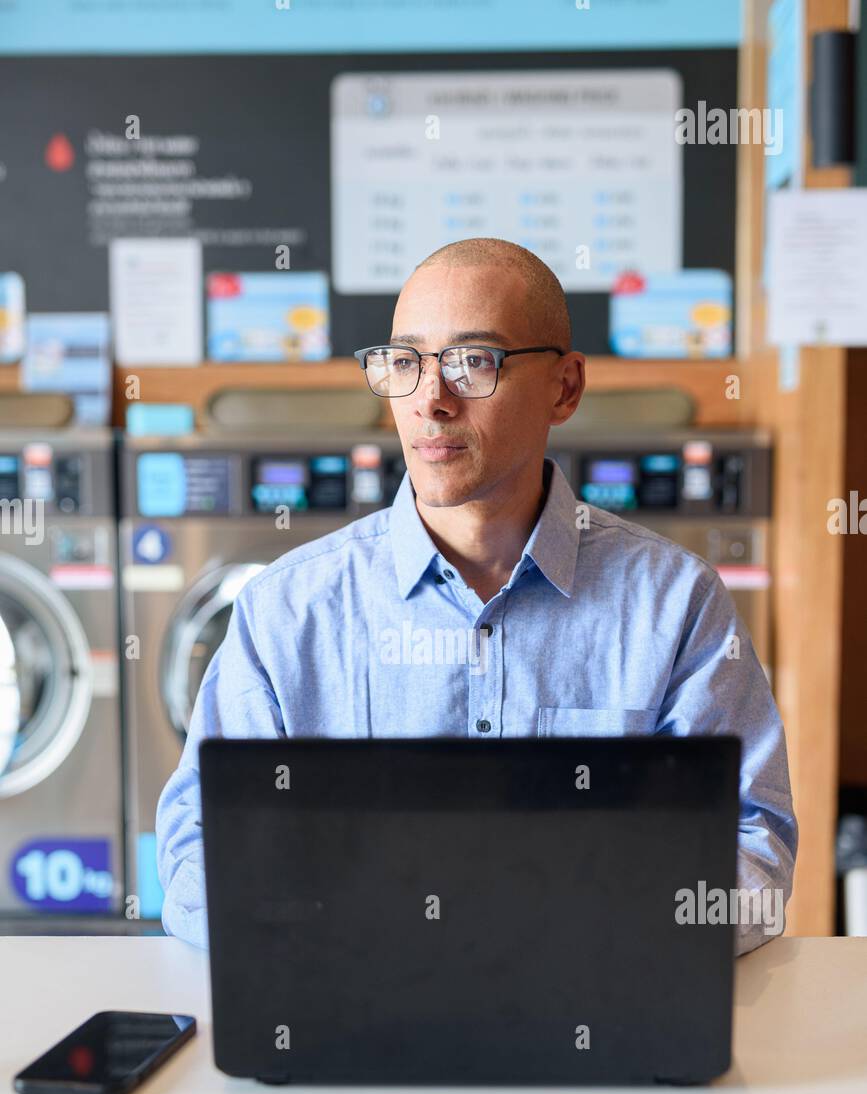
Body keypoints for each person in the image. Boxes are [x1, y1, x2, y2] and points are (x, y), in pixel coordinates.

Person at [156, 237, 797, 951]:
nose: (431, 400)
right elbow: (194, 851)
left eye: (472, 361)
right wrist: (347, 929)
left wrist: (566, 933)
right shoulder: (287, 610)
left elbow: (752, 843)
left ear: (564, 387)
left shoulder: (673, 604)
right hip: (352, 1008)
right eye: (405, 363)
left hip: (588, 1005)